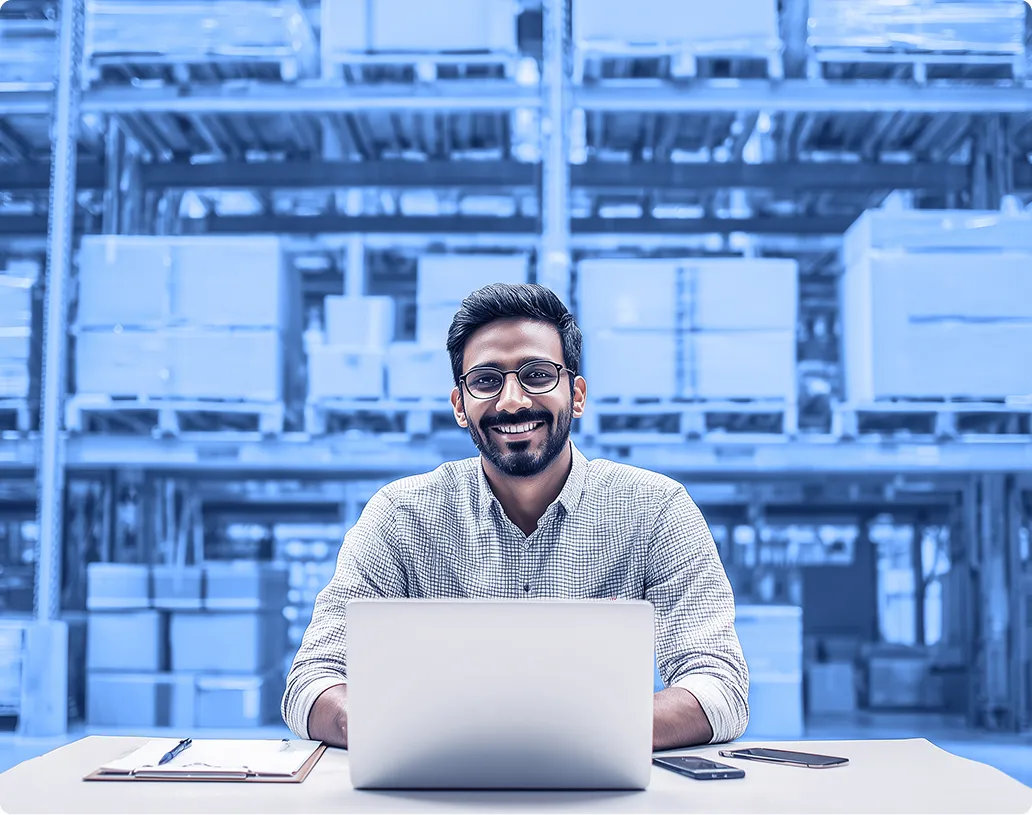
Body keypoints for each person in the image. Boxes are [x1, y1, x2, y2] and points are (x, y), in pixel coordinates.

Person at [282, 282, 749, 750]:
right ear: (460, 406)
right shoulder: (400, 517)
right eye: (486, 380)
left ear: (578, 394)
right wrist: (391, 726)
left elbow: (718, 685)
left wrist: (572, 733)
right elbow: (312, 680)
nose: (512, 401)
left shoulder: (656, 510)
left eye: (538, 374)